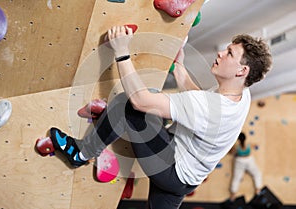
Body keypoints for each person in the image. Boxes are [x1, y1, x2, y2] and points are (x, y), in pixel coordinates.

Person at [49, 26, 272, 209]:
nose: (221, 53)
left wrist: (121, 51)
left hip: (172, 167)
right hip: (187, 179)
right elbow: (197, 101)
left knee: (129, 105)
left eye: (230, 53)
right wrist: (180, 66)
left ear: (242, 71)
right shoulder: (242, 94)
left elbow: (140, 100)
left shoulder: (210, 106)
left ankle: (80, 152)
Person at [229, 132, 262, 201]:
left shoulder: (236, 146)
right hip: (248, 160)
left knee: (237, 178)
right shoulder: (248, 144)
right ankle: (258, 190)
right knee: (257, 174)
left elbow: (231, 152)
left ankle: (233, 196)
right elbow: (256, 145)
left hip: (239, 161)